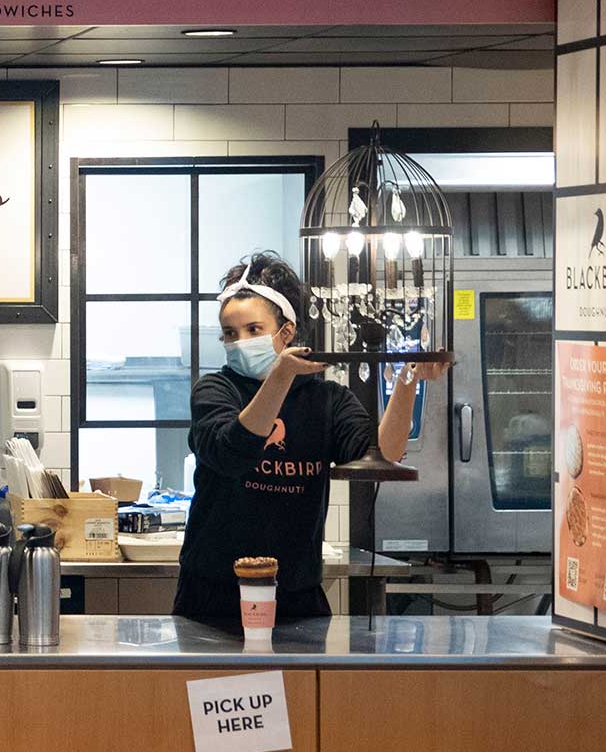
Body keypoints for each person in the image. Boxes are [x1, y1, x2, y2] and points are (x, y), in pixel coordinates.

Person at [176, 251, 444, 632]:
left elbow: (385, 455)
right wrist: (280, 376)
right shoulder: (216, 391)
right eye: (230, 334)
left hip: (295, 596)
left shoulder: (327, 400)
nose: (240, 342)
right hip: (212, 595)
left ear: (286, 332)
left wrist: (408, 378)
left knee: (302, 692)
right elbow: (232, 452)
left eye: (254, 330)